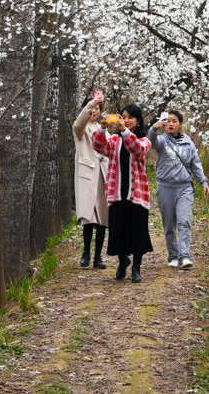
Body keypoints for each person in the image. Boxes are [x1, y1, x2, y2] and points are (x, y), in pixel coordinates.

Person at [91, 102, 153, 282]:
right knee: (119, 231)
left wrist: (125, 131)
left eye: (129, 118)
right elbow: (98, 146)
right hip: (116, 193)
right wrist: (102, 129)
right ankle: (122, 262)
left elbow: (137, 149)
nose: (125, 120)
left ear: (138, 121)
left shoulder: (144, 140)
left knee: (137, 231)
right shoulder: (114, 140)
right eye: (123, 117)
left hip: (137, 194)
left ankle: (136, 268)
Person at [148, 110, 209, 270]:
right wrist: (154, 127)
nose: (170, 124)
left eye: (174, 121)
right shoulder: (161, 141)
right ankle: (173, 255)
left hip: (184, 188)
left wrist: (203, 181)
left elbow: (195, 163)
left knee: (184, 221)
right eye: (167, 121)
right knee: (169, 225)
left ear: (180, 124)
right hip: (165, 187)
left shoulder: (189, 143)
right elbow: (150, 141)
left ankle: (185, 256)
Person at [74, 93, 109, 268]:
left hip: (103, 176)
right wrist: (91, 103)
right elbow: (77, 124)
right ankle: (86, 253)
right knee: (89, 217)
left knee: (103, 217)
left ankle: (98, 257)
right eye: (92, 109)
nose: (94, 111)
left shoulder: (104, 129)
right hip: (88, 175)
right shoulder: (81, 130)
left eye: (97, 108)